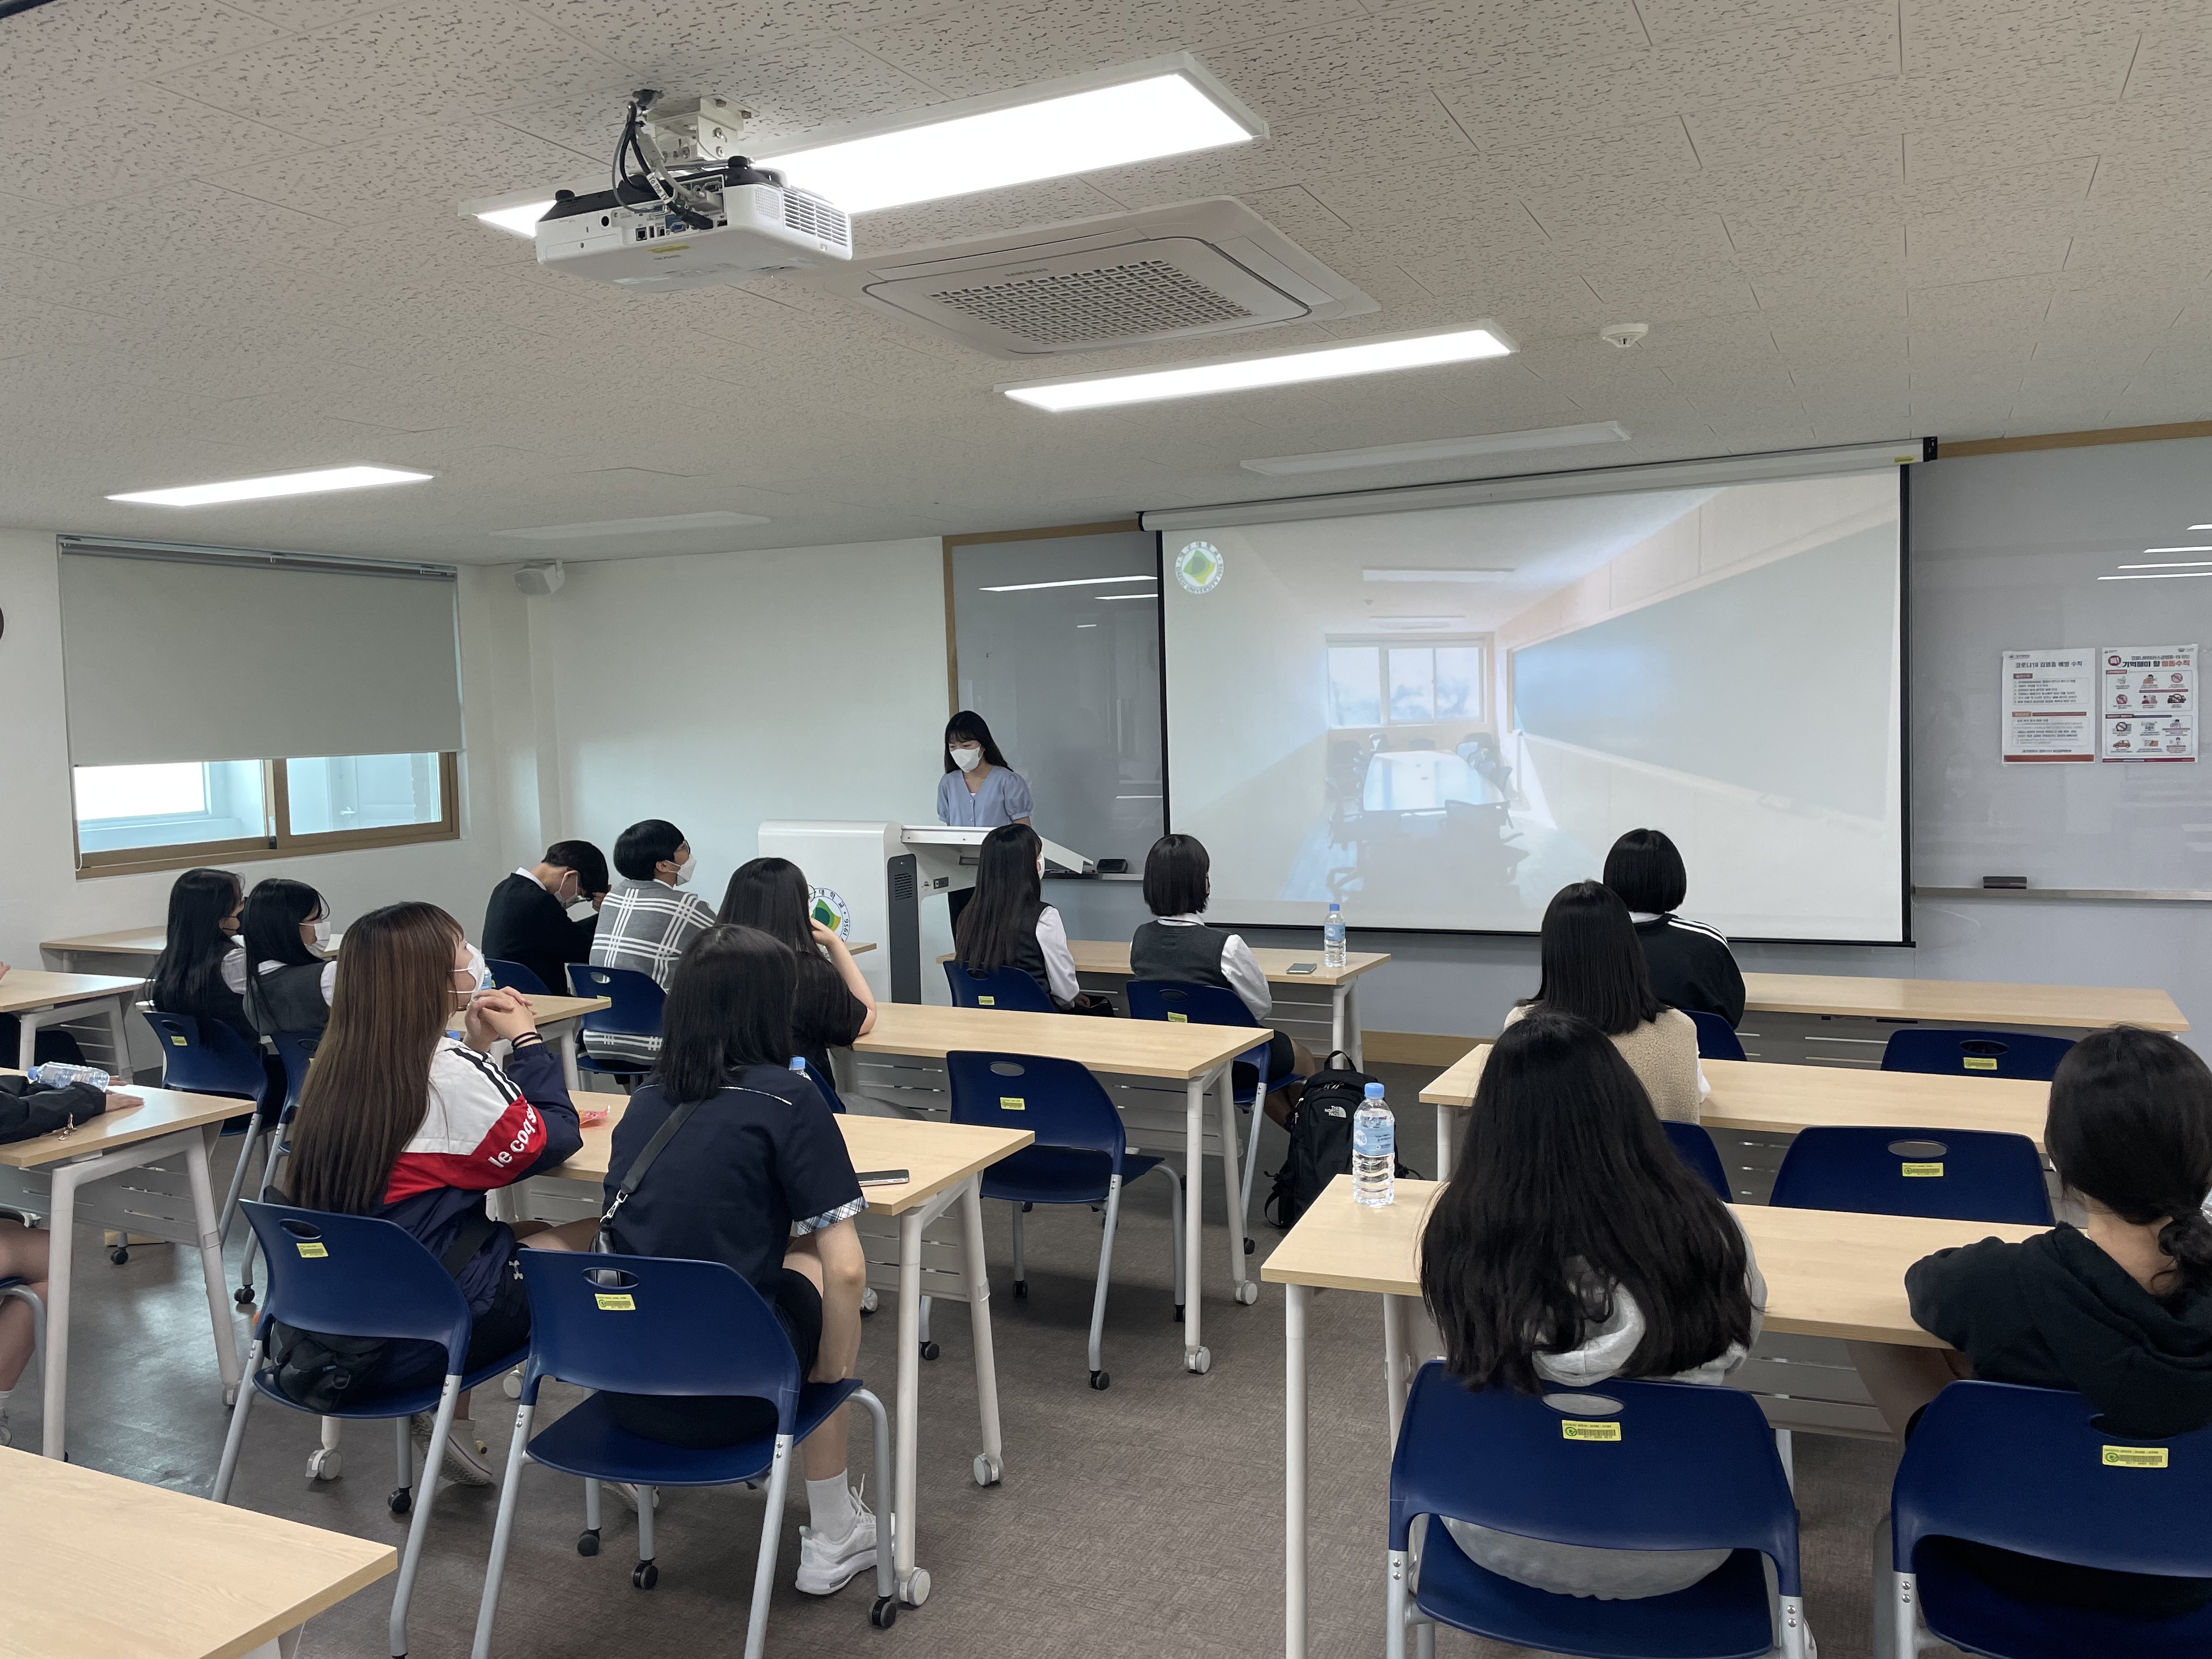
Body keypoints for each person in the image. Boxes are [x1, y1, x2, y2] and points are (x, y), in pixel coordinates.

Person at [1848, 1025, 2212, 1615]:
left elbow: (1922, 1282)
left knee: (1873, 1333)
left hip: (2008, 1553)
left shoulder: (1999, 1281)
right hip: (2193, 1575)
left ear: (2060, 1156)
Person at [1419, 1008, 1764, 1600]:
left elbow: (1461, 1357)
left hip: (1497, 1527)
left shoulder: (1459, 1236)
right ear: (1626, 1107)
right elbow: (1737, 1346)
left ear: (1492, 1127)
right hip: (1685, 1537)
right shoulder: (1711, 1231)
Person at [599, 925, 876, 1595]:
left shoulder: (644, 1100)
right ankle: (833, 1533)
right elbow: (848, 1270)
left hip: (625, 1393)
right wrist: (829, 1374)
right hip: (745, 1397)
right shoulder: (790, 1097)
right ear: (771, 1007)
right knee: (817, 1265)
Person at [282, 901, 592, 1485]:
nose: (474, 956)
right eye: (462, 948)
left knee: (524, 1233)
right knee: (606, 1232)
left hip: (350, 1313)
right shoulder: (443, 1070)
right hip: (429, 1325)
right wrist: (528, 1043)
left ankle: (452, 1421)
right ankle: (623, 1424)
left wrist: (475, 1049)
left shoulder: (337, 1061)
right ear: (430, 978)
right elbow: (553, 1139)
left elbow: (450, 1129)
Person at [1131, 833, 1312, 1125]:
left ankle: (1300, 1132)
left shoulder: (1139, 940)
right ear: (1202, 883)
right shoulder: (1227, 946)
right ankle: (1311, 1134)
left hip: (1168, 1056)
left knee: (1263, 1068)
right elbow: (1260, 1009)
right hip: (1230, 1060)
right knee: (1300, 1057)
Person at [1503, 882, 1706, 1121]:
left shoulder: (1522, 1026)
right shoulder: (1680, 1029)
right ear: (1629, 948)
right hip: (1655, 1148)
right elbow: (1696, 1096)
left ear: (1552, 954)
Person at [717, 857, 876, 1088]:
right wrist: (835, 944)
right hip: (794, 1099)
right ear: (796, 909)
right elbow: (866, 1017)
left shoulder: (701, 965)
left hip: (717, 1098)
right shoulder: (808, 974)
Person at [586, 820, 714, 1068]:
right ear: (663, 865)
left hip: (599, 1035)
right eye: (683, 847)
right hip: (659, 1042)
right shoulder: (687, 907)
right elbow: (730, 946)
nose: (689, 854)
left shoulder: (612, 899)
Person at [1602, 828, 1745, 1028]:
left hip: (1601, 1048)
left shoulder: (1585, 939)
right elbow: (1729, 1017)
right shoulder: (1706, 941)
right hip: (1692, 1047)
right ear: (1674, 879)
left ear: (1612, 877)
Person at [953, 824, 1082, 1010]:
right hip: (1037, 1020)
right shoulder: (1045, 917)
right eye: (1037, 857)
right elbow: (1065, 993)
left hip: (981, 1019)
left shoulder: (967, 916)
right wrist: (1072, 1001)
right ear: (1027, 867)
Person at [938, 710, 1031, 935]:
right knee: (965, 938)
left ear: (982, 746)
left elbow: (1024, 834)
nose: (959, 752)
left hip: (1003, 874)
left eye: (966, 745)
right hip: (961, 876)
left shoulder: (1008, 781)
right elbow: (949, 831)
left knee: (1000, 938)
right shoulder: (948, 784)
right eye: (953, 747)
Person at [483, 839, 607, 996]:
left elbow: (566, 934)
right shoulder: (539, 902)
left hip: (511, 993)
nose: (575, 899)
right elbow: (583, 949)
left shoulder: (504, 888)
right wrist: (609, 913)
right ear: (571, 876)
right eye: (580, 894)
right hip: (542, 999)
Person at [223, 877, 335, 1037]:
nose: (321, 924)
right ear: (290, 928)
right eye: (316, 918)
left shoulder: (251, 992)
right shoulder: (328, 975)